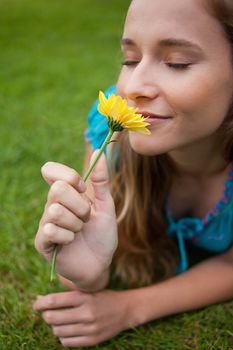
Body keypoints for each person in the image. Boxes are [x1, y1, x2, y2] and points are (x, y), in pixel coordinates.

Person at [33, 0, 233, 347]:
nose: (133, 87)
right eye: (130, 59)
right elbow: (90, 258)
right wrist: (89, 274)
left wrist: (130, 307)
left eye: (177, 63)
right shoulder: (109, 140)